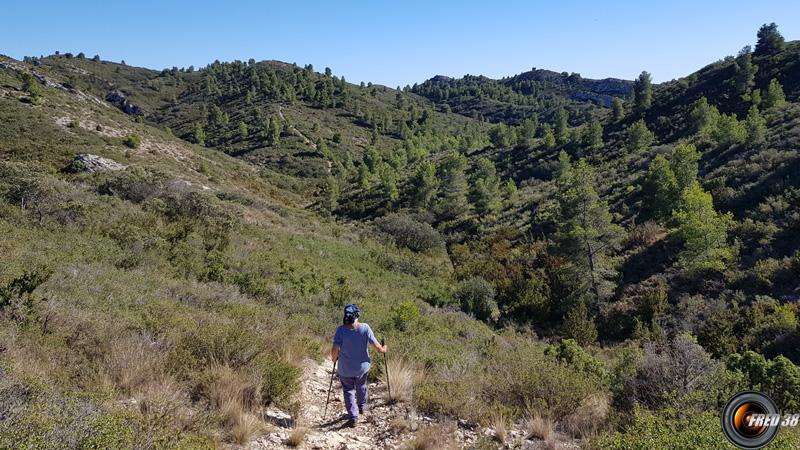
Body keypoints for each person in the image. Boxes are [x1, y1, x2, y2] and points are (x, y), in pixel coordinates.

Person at [331, 303, 386, 427]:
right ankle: (361, 406)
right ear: (357, 316)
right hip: (362, 367)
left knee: (348, 390)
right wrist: (384, 349)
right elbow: (377, 346)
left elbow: (335, 349)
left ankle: (353, 416)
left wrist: (334, 359)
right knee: (361, 385)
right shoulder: (365, 328)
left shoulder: (341, 330)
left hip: (345, 369)